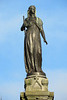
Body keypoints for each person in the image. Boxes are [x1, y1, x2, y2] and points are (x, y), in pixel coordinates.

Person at [21, 5, 48, 75]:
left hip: (36, 37)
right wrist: (24, 25)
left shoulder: (38, 20)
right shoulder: (27, 20)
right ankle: (31, 69)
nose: (33, 10)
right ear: (29, 10)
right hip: (29, 36)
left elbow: (41, 30)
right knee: (30, 52)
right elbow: (21, 28)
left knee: (38, 52)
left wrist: (44, 39)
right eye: (31, 8)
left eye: (34, 9)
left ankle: (38, 68)